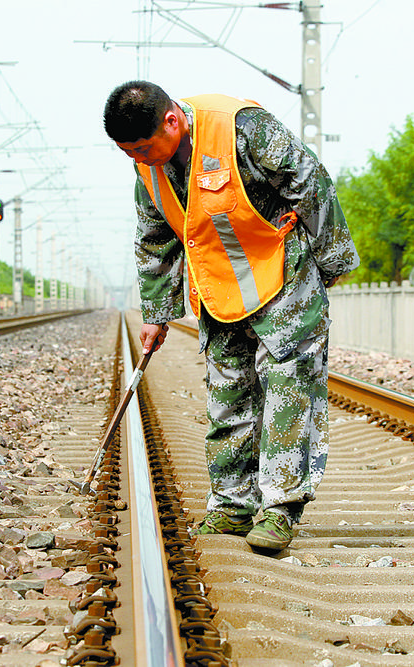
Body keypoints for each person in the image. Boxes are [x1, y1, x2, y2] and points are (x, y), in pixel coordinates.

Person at [103, 81, 359, 552]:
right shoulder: (149, 170)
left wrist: (332, 260)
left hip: (282, 275)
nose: (137, 158)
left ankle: (279, 509)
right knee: (229, 396)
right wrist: (157, 315)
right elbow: (155, 238)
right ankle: (233, 506)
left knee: (287, 387)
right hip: (219, 289)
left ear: (172, 122)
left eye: (142, 147)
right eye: (127, 152)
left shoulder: (240, 126)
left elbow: (310, 181)